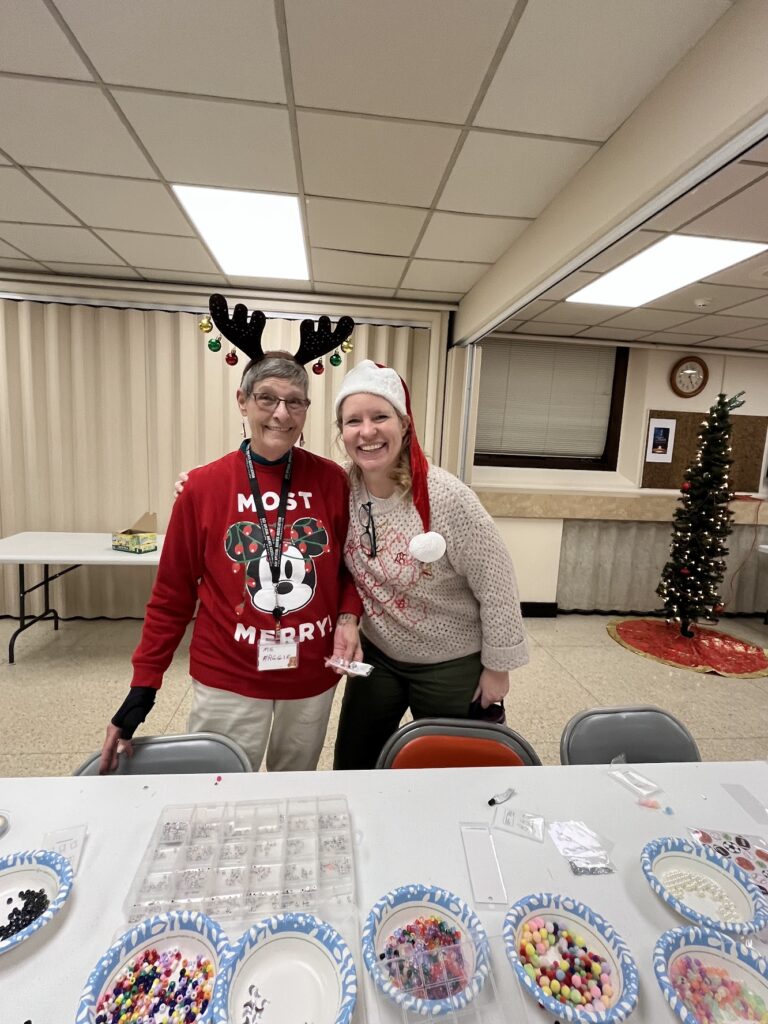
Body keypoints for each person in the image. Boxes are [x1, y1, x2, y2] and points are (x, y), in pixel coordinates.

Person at [99, 298, 362, 774]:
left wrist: (348, 616)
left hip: (310, 676)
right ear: (242, 401)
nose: (281, 413)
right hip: (228, 676)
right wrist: (144, 686)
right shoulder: (203, 487)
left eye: (295, 402)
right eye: (267, 398)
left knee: (292, 789)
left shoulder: (333, 481)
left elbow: (350, 569)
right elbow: (171, 596)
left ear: (306, 409)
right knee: (217, 789)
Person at [332, 359, 529, 770]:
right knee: (354, 763)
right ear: (342, 431)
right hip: (380, 656)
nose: (367, 431)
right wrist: (347, 618)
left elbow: (497, 583)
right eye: (353, 421)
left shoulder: (447, 497)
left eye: (380, 417)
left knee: (451, 771)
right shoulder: (340, 490)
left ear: (404, 425)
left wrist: (497, 669)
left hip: (451, 662)